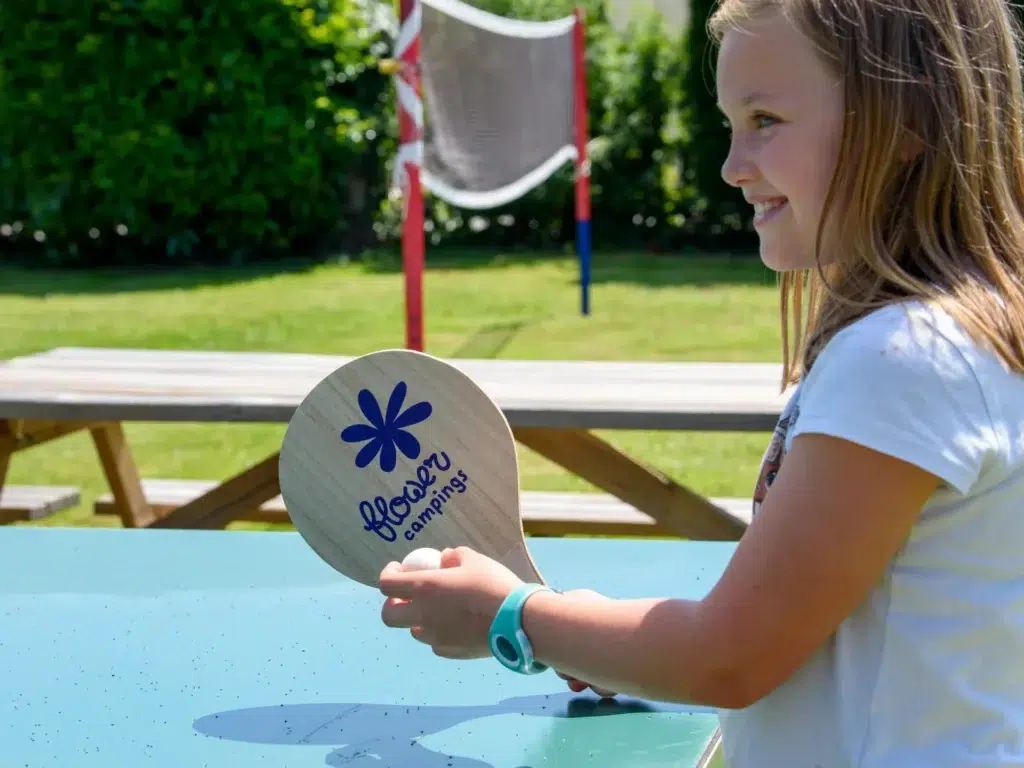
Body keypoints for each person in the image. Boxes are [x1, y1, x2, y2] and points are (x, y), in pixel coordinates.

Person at [377, 0, 1024, 764]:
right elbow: (784, 625)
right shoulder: (950, 337)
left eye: (767, 120)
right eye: (730, 125)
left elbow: (730, 657)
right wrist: (585, 628)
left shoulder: (905, 357)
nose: (732, 166)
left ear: (906, 120)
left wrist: (512, 616)